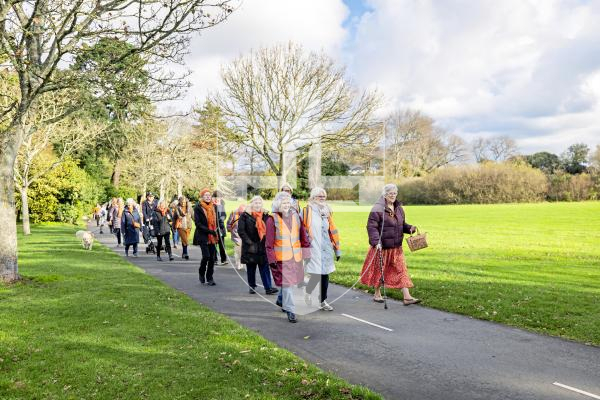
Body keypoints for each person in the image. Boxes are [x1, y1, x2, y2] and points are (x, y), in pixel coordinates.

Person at [360, 184, 421, 305]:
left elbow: (401, 224)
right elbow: (371, 227)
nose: (393, 195)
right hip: (382, 247)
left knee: (401, 270)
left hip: (396, 247)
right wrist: (376, 242)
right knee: (379, 270)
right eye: (390, 193)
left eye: (394, 193)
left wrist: (410, 228)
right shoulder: (377, 208)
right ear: (385, 194)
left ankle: (407, 297)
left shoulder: (398, 208)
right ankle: (377, 293)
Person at [266, 191, 311, 323]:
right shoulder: (271, 219)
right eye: (283, 202)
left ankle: (281, 300)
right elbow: (268, 243)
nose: (286, 205)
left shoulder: (296, 216)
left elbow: (303, 236)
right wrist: (271, 259)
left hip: (296, 257)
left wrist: (307, 254)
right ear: (277, 204)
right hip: (281, 259)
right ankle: (291, 310)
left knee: (292, 284)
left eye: (288, 202)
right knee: (287, 284)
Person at [301, 187, 340, 311]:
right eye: (319, 196)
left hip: (326, 248)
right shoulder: (307, 211)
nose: (322, 198)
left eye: (323, 196)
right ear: (313, 198)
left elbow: (332, 230)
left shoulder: (327, 211)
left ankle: (322, 300)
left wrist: (337, 249)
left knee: (325, 275)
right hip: (313, 248)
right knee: (316, 275)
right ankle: (308, 292)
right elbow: (301, 230)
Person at [238, 196, 278, 295]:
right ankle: (252, 287)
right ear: (251, 204)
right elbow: (241, 231)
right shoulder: (245, 215)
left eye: (259, 203)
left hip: (262, 245)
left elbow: (270, 229)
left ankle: (268, 288)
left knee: (264, 268)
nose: (257, 205)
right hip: (250, 246)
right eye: (255, 203)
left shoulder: (265, 216)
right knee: (251, 268)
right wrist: (249, 243)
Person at [193, 188, 219, 286]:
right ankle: (201, 272)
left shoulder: (214, 207)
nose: (208, 197)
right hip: (203, 235)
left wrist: (218, 230)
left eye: (209, 195)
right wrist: (209, 231)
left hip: (213, 235)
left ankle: (210, 277)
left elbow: (217, 221)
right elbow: (198, 224)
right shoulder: (198, 208)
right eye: (206, 195)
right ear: (202, 197)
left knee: (212, 258)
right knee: (206, 256)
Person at [227, 203, 246, 270]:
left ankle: (242, 262)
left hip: (244, 236)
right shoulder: (234, 213)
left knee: (243, 250)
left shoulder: (247, 214)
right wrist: (229, 229)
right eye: (241, 211)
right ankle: (238, 263)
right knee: (238, 250)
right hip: (236, 235)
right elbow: (229, 222)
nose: (242, 212)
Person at [212, 190, 228, 265]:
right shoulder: (211, 205)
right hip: (213, 227)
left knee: (222, 244)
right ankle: (214, 259)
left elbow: (224, 214)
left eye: (219, 197)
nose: (218, 199)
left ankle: (223, 259)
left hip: (220, 227)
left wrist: (222, 219)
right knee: (214, 243)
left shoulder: (222, 204)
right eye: (216, 197)